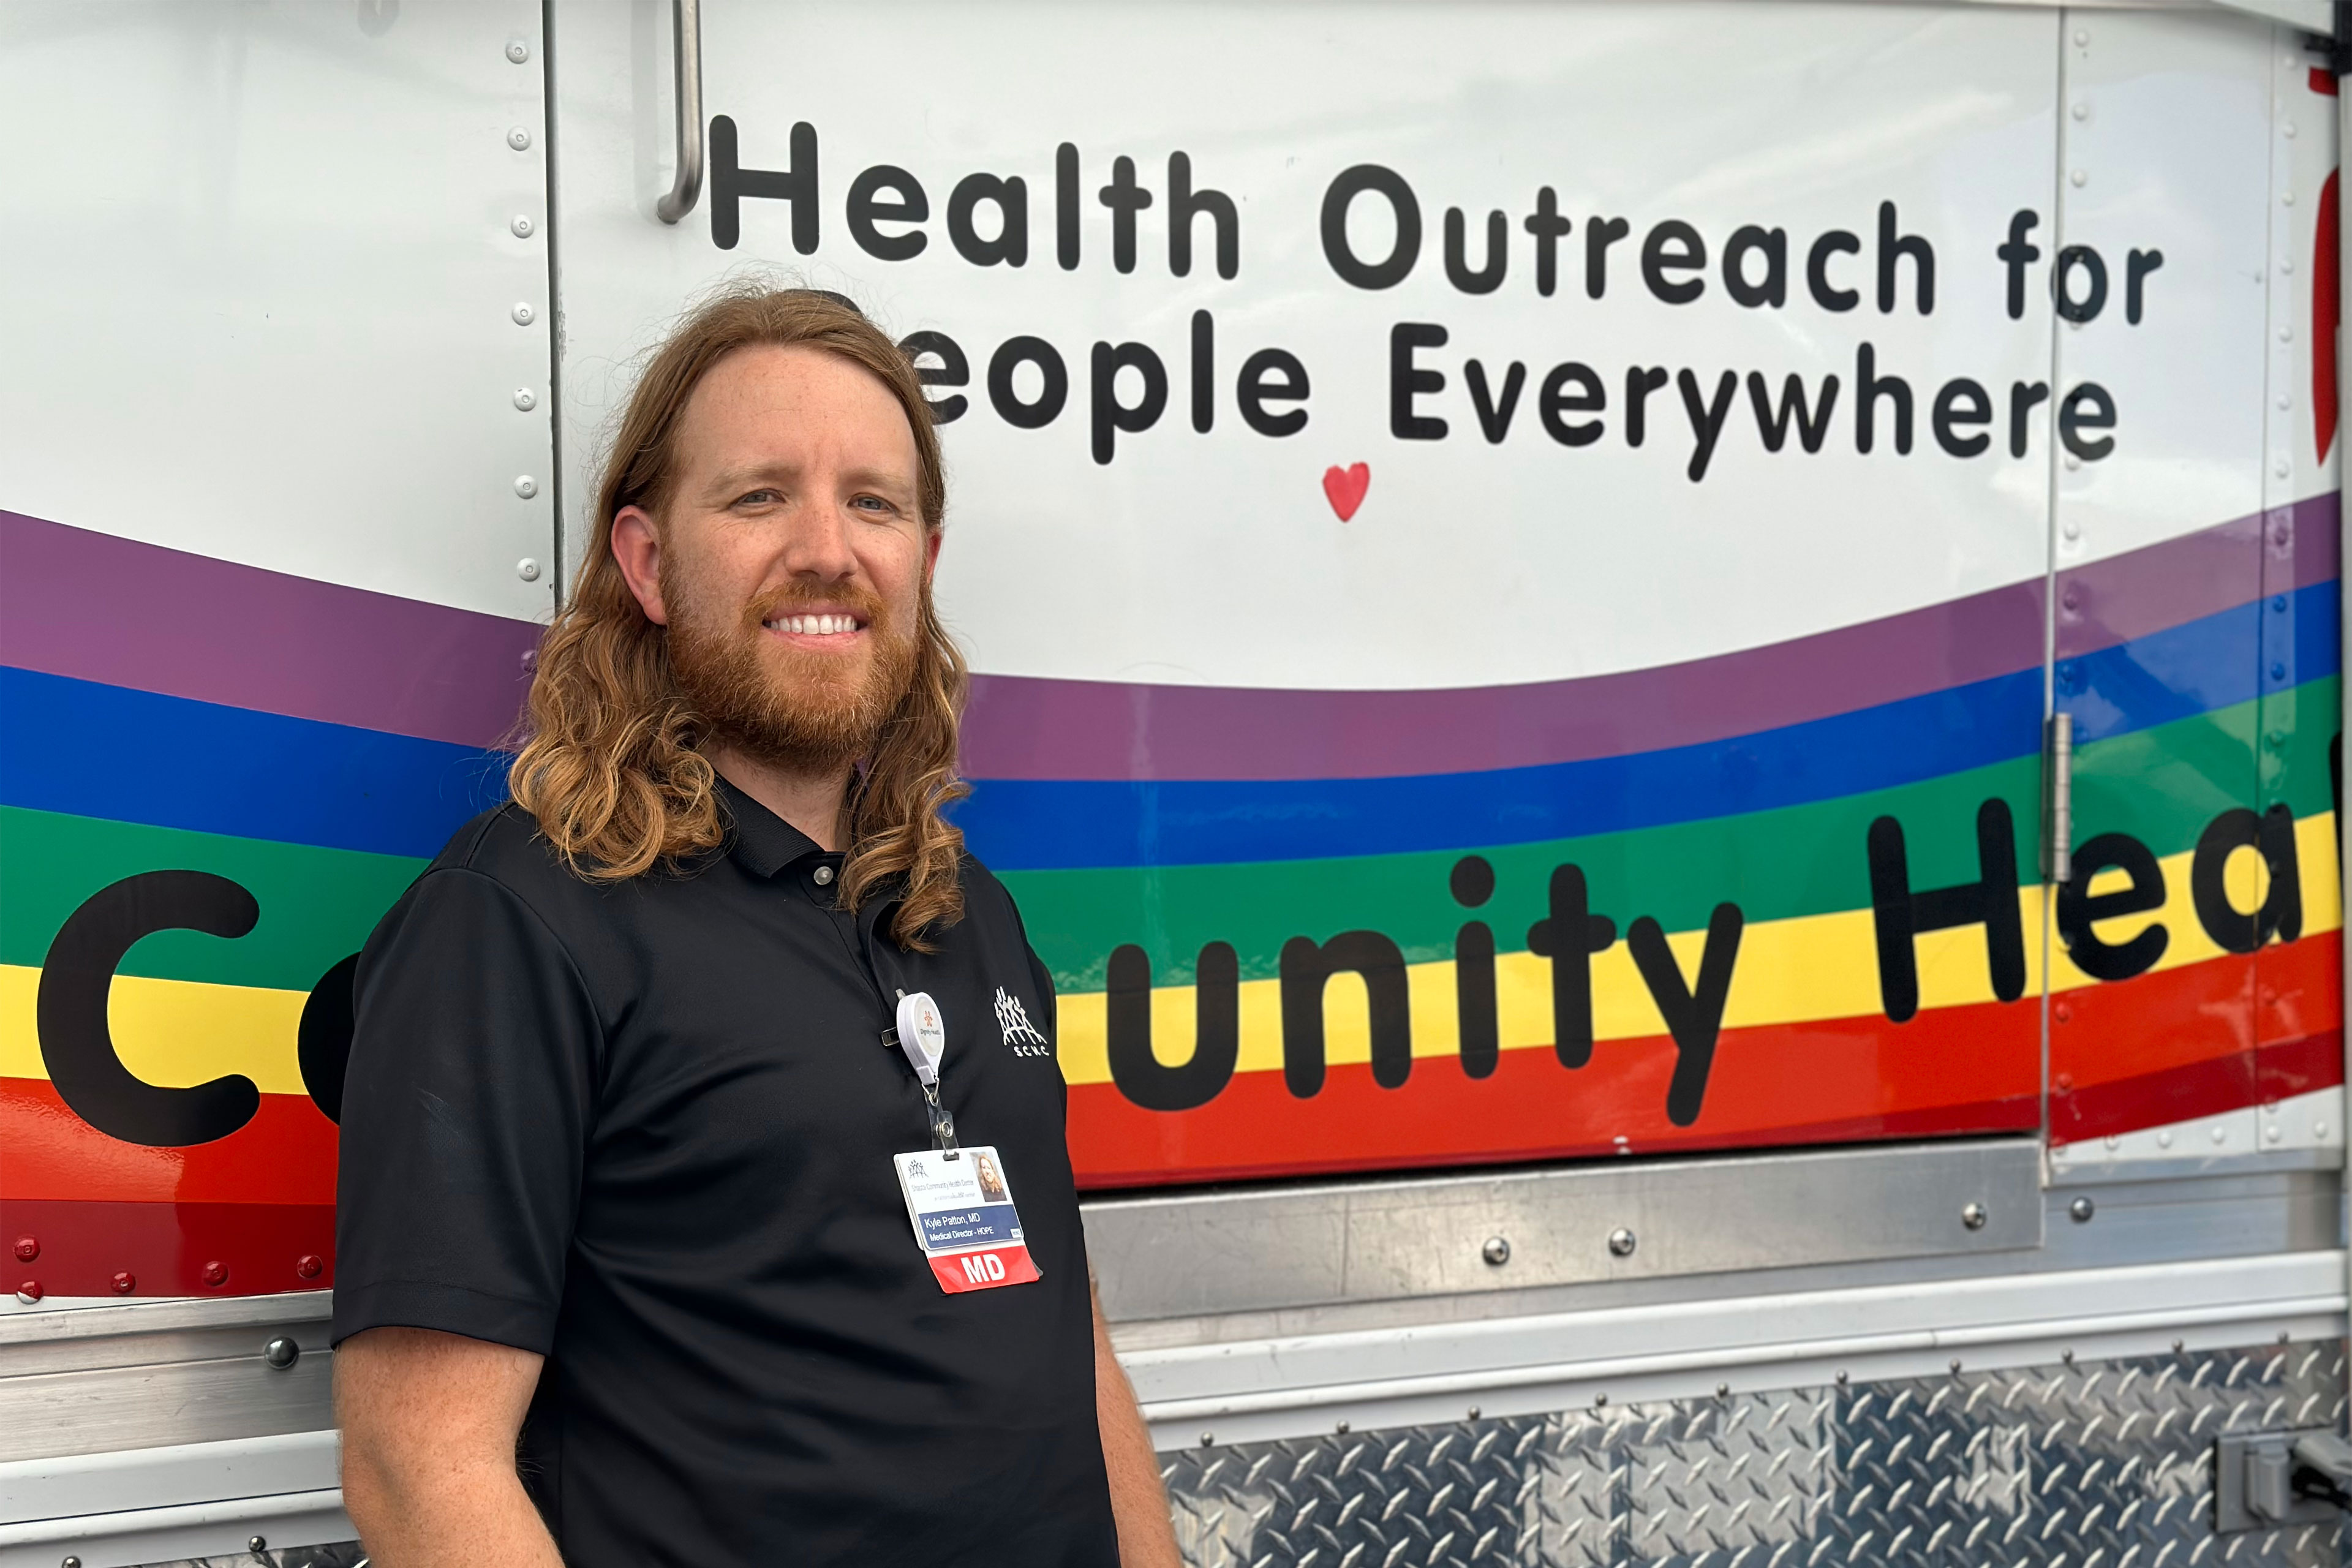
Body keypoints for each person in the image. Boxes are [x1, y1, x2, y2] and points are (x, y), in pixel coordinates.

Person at [330, 285, 1179, 1568]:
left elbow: (1073, 1337)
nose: (828, 549)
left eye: (874, 502)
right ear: (648, 561)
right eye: (760, 495)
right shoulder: (521, 922)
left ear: (924, 564)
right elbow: (418, 1466)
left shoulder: (966, 906)